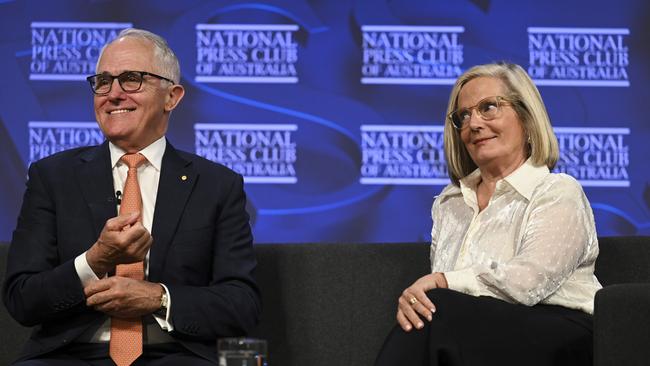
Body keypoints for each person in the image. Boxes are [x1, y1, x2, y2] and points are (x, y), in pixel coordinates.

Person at [2, 28, 260, 365]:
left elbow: (242, 304)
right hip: (70, 354)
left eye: (132, 79)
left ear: (172, 96)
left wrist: (158, 298)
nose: (113, 94)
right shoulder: (52, 177)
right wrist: (93, 261)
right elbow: (22, 298)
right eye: (103, 82)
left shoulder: (216, 185)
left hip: (176, 354)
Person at [375, 62, 602, 366]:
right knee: (431, 315)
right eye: (463, 116)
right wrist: (423, 302)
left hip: (560, 335)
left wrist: (441, 283)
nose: (474, 124)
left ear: (526, 117)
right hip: (474, 337)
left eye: (489, 108)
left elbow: (528, 282)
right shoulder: (450, 204)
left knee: (440, 308)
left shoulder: (557, 192)